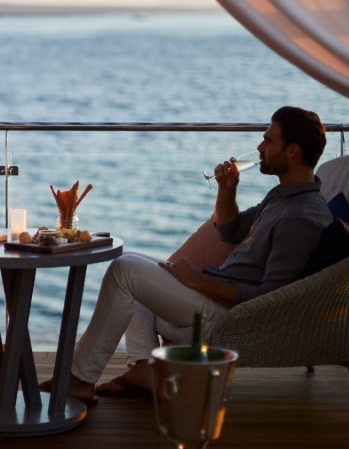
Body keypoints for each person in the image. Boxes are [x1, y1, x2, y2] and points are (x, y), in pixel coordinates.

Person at [45, 106, 333, 404]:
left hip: (229, 314)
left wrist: (196, 280)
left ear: (293, 151)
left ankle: (78, 380)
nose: (259, 147)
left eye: (268, 140)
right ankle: (145, 371)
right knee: (140, 265)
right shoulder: (282, 195)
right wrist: (226, 189)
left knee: (125, 269)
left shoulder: (301, 217)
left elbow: (269, 297)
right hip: (215, 291)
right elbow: (230, 231)